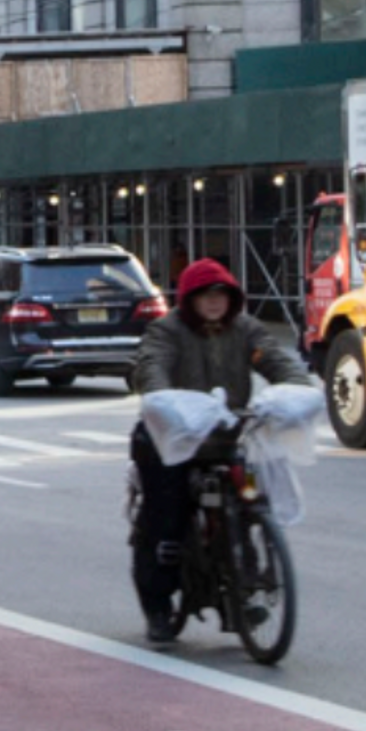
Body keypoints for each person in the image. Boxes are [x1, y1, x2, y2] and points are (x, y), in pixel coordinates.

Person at [128, 255, 307, 644]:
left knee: (248, 500)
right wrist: (162, 400)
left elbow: (275, 361)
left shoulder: (246, 329)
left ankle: (244, 586)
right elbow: (151, 366)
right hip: (168, 440)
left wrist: (296, 389)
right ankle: (159, 606)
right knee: (167, 520)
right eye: (205, 295)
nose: (214, 301)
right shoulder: (166, 330)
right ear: (189, 299)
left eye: (222, 294)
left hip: (227, 437)